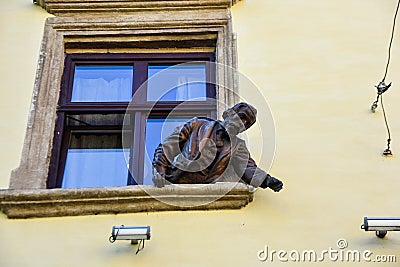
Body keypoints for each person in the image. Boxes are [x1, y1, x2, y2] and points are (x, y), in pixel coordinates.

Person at [152, 102, 283, 192]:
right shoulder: (197, 125)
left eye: (247, 123)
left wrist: (267, 180)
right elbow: (167, 147)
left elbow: (248, 168)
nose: (242, 123)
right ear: (229, 114)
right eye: (241, 117)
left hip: (206, 189)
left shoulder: (238, 146)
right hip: (177, 182)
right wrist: (160, 171)